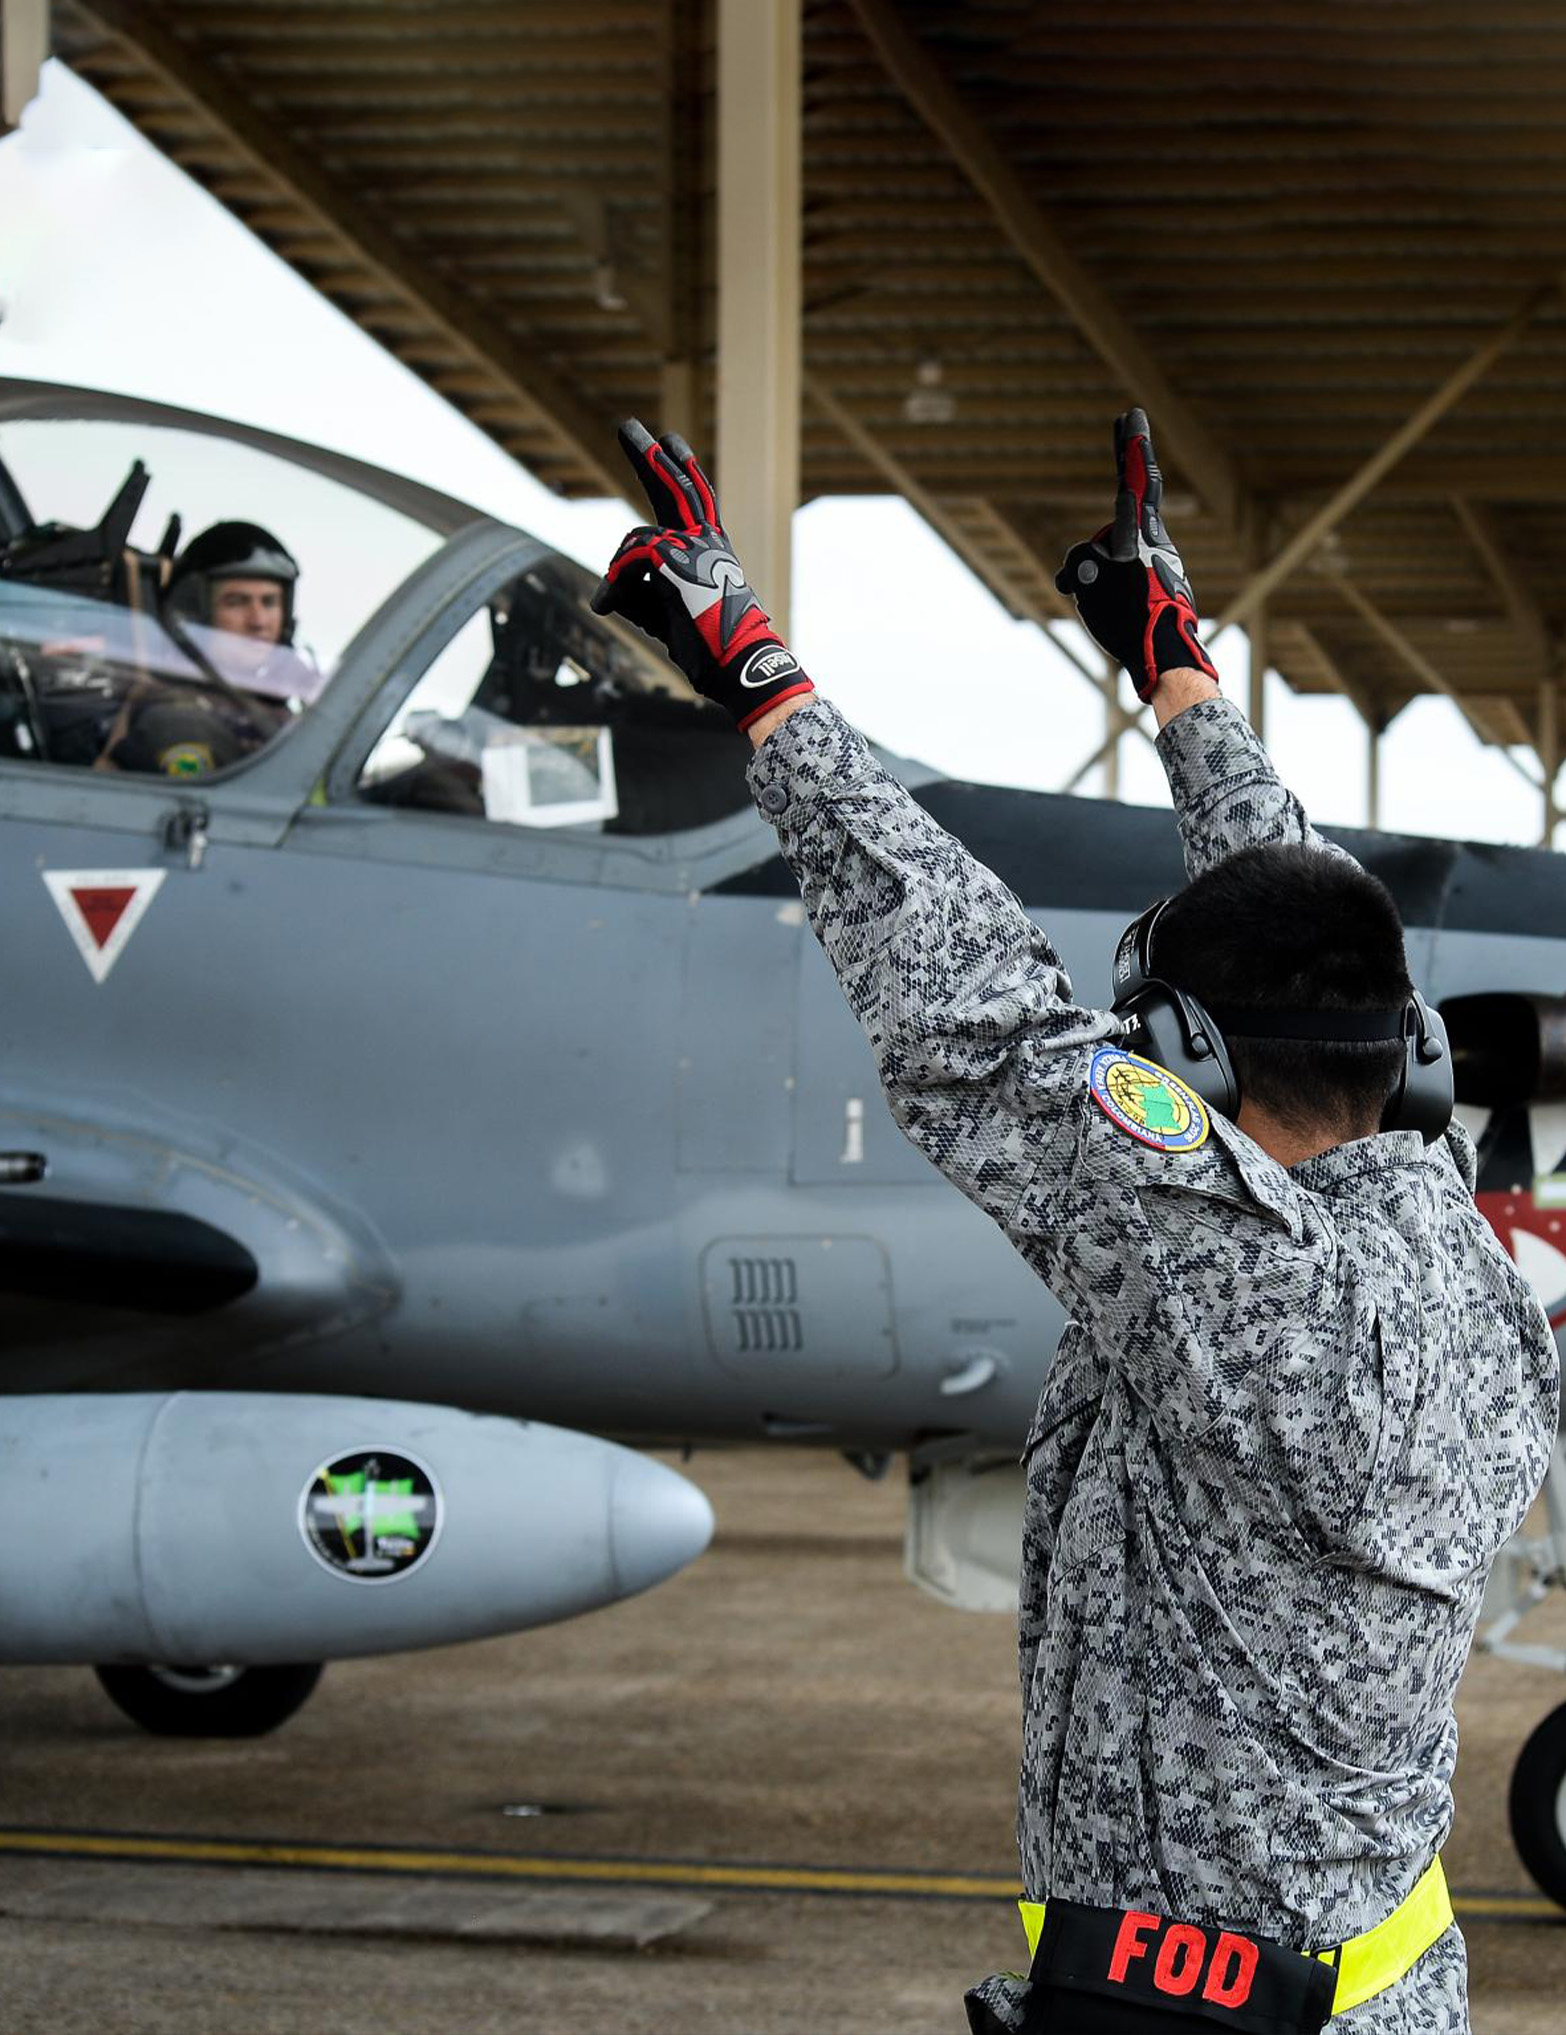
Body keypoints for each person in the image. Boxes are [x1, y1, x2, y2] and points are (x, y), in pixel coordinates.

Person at [593, 415, 1561, 2033]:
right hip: (1376, 1994)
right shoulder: (1447, 1254)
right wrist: (1172, 667)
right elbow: (1303, 920)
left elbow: (972, 1014)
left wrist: (750, 666)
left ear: (1186, 1061)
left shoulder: (1246, 1291)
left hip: (1195, 2017)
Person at [103, 520, 313, 776]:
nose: (258, 621)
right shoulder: (178, 721)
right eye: (236, 602)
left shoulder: (264, 710)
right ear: (190, 614)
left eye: (269, 603)